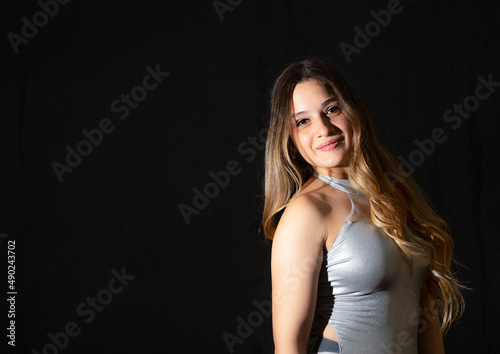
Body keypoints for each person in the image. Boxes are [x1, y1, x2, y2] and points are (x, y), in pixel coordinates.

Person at [262, 58, 464, 354]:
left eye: (332, 109)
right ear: (290, 139)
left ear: (352, 111)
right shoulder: (308, 212)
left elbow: (425, 310)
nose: (324, 128)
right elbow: (289, 345)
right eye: (303, 121)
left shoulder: (394, 194)